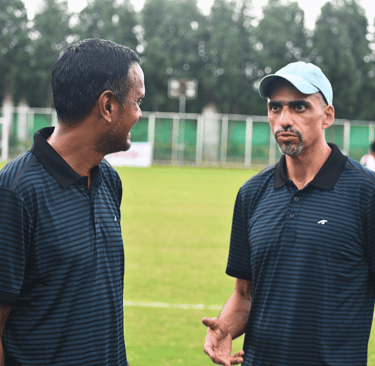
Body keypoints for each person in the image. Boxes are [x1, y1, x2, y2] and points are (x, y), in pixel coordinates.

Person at [202, 61, 375, 366]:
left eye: (299, 107)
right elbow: (244, 295)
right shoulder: (251, 194)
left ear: (327, 116)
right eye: (275, 108)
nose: (283, 120)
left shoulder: (365, 192)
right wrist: (224, 329)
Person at [0, 38, 145, 366]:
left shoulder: (109, 181)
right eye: (137, 101)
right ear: (108, 106)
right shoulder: (15, 192)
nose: (140, 113)